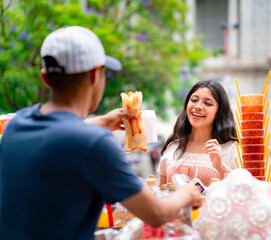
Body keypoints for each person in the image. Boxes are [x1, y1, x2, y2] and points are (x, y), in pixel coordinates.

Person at [0, 26, 201, 240]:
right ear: (95, 75)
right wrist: (185, 194)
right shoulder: (95, 144)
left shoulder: (16, 126)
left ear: (46, 78)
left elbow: (56, 136)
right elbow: (156, 214)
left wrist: (104, 122)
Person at [158, 81, 239, 187]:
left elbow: (245, 191)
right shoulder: (173, 147)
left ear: (219, 112)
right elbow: (162, 194)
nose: (198, 106)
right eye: (194, 100)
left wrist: (221, 166)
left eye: (208, 103)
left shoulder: (231, 149)